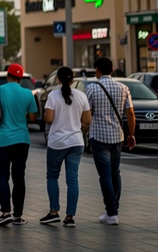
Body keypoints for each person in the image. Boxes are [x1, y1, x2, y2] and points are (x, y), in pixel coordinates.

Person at [0, 63, 37, 227]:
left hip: (1, 140)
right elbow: (33, 118)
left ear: (8, 75)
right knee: (19, 177)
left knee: (2, 176)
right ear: (20, 78)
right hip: (22, 140)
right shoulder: (28, 93)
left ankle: (6, 213)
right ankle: (18, 216)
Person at [86, 56, 134, 226]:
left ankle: (111, 212)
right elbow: (130, 113)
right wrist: (131, 134)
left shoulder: (91, 88)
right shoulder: (123, 88)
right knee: (115, 173)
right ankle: (113, 210)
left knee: (105, 175)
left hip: (99, 137)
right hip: (117, 136)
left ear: (97, 70)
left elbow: (87, 114)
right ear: (112, 70)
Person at [41, 66, 91, 227]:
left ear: (58, 79)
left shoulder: (53, 95)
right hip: (76, 142)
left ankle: (54, 212)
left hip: (57, 142)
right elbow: (87, 120)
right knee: (72, 179)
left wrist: (46, 115)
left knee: (52, 176)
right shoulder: (81, 96)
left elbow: (49, 119)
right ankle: (70, 217)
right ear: (72, 79)